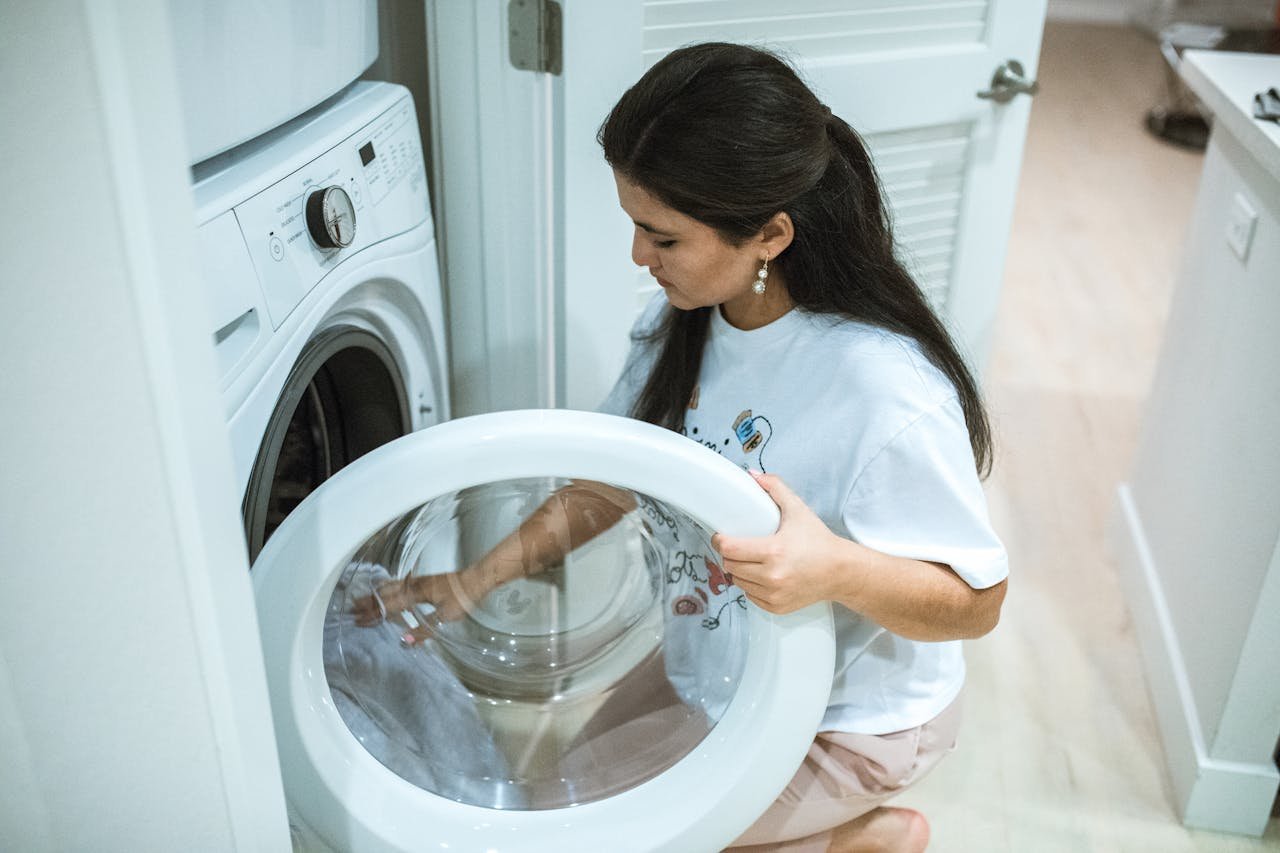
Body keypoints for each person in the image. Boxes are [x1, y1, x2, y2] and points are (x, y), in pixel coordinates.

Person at [357, 41, 1007, 853]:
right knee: (558, 812)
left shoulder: (882, 391)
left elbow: (978, 600)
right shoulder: (689, 324)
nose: (639, 256)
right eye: (636, 226)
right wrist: (470, 580)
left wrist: (833, 568)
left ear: (769, 234)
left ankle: (866, 838)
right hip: (719, 662)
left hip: (852, 717)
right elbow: (614, 482)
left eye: (661, 236)